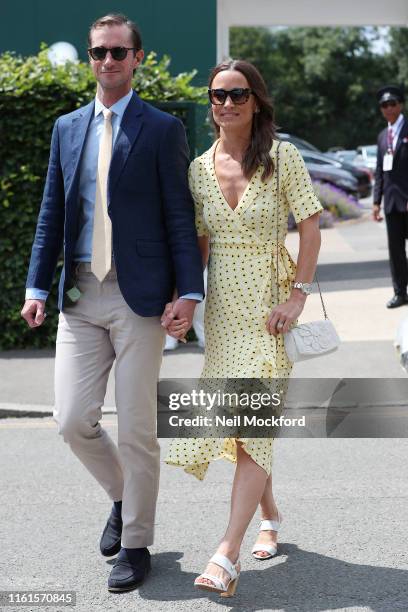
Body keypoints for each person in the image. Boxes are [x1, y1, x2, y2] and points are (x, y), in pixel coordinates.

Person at [20, 13, 203, 593]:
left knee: (137, 429)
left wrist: (190, 293)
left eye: (118, 53)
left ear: (138, 58)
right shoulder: (66, 127)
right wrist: (35, 287)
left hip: (140, 296)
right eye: (99, 53)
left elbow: (180, 216)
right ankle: (124, 496)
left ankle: (137, 543)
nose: (107, 62)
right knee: (72, 421)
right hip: (79, 293)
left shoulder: (162, 127)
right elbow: (53, 210)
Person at [162, 59, 322, 597]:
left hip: (272, 308)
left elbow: (310, 225)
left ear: (256, 101)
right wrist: (186, 302)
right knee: (240, 423)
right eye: (218, 95)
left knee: (251, 416)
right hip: (225, 314)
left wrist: (298, 295)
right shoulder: (199, 168)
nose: (227, 103)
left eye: (238, 94)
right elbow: (200, 246)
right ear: (210, 103)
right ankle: (270, 514)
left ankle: (226, 554)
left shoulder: (284, 157)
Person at [373, 85, 408, 308]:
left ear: (401, 104)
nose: (388, 108)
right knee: (395, 251)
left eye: (392, 103)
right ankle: (400, 292)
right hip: (392, 203)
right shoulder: (382, 136)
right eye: (384, 105)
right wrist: (376, 202)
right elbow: (380, 171)